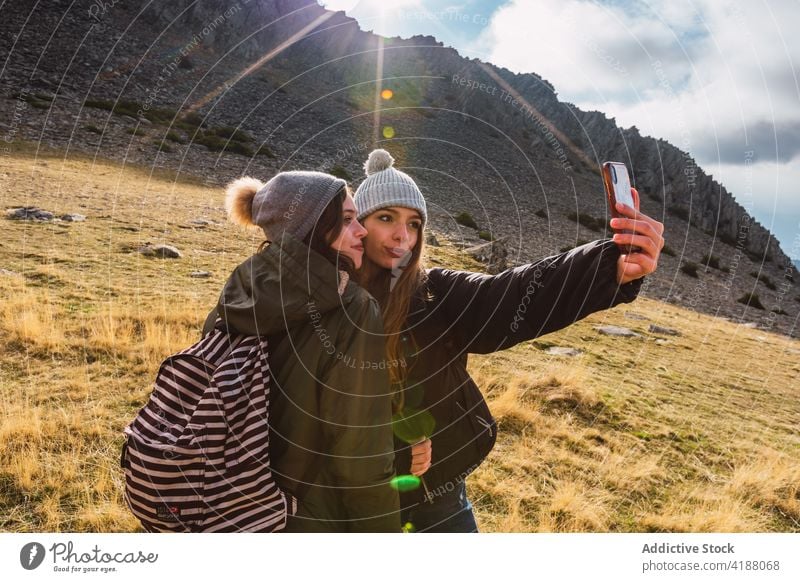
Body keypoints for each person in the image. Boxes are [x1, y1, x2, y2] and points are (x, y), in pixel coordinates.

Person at [352, 149, 665, 532]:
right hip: (355, 503)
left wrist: (609, 268)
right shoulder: (327, 302)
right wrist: (395, 446)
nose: (403, 235)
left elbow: (512, 295)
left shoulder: (434, 293)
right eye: (387, 218)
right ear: (358, 225)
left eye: (414, 223)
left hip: (441, 497)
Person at [203, 171, 400, 532]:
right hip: (310, 516)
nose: (362, 230)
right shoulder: (353, 309)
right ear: (311, 229)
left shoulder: (240, 289)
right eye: (345, 220)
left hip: (231, 506)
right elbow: (360, 453)